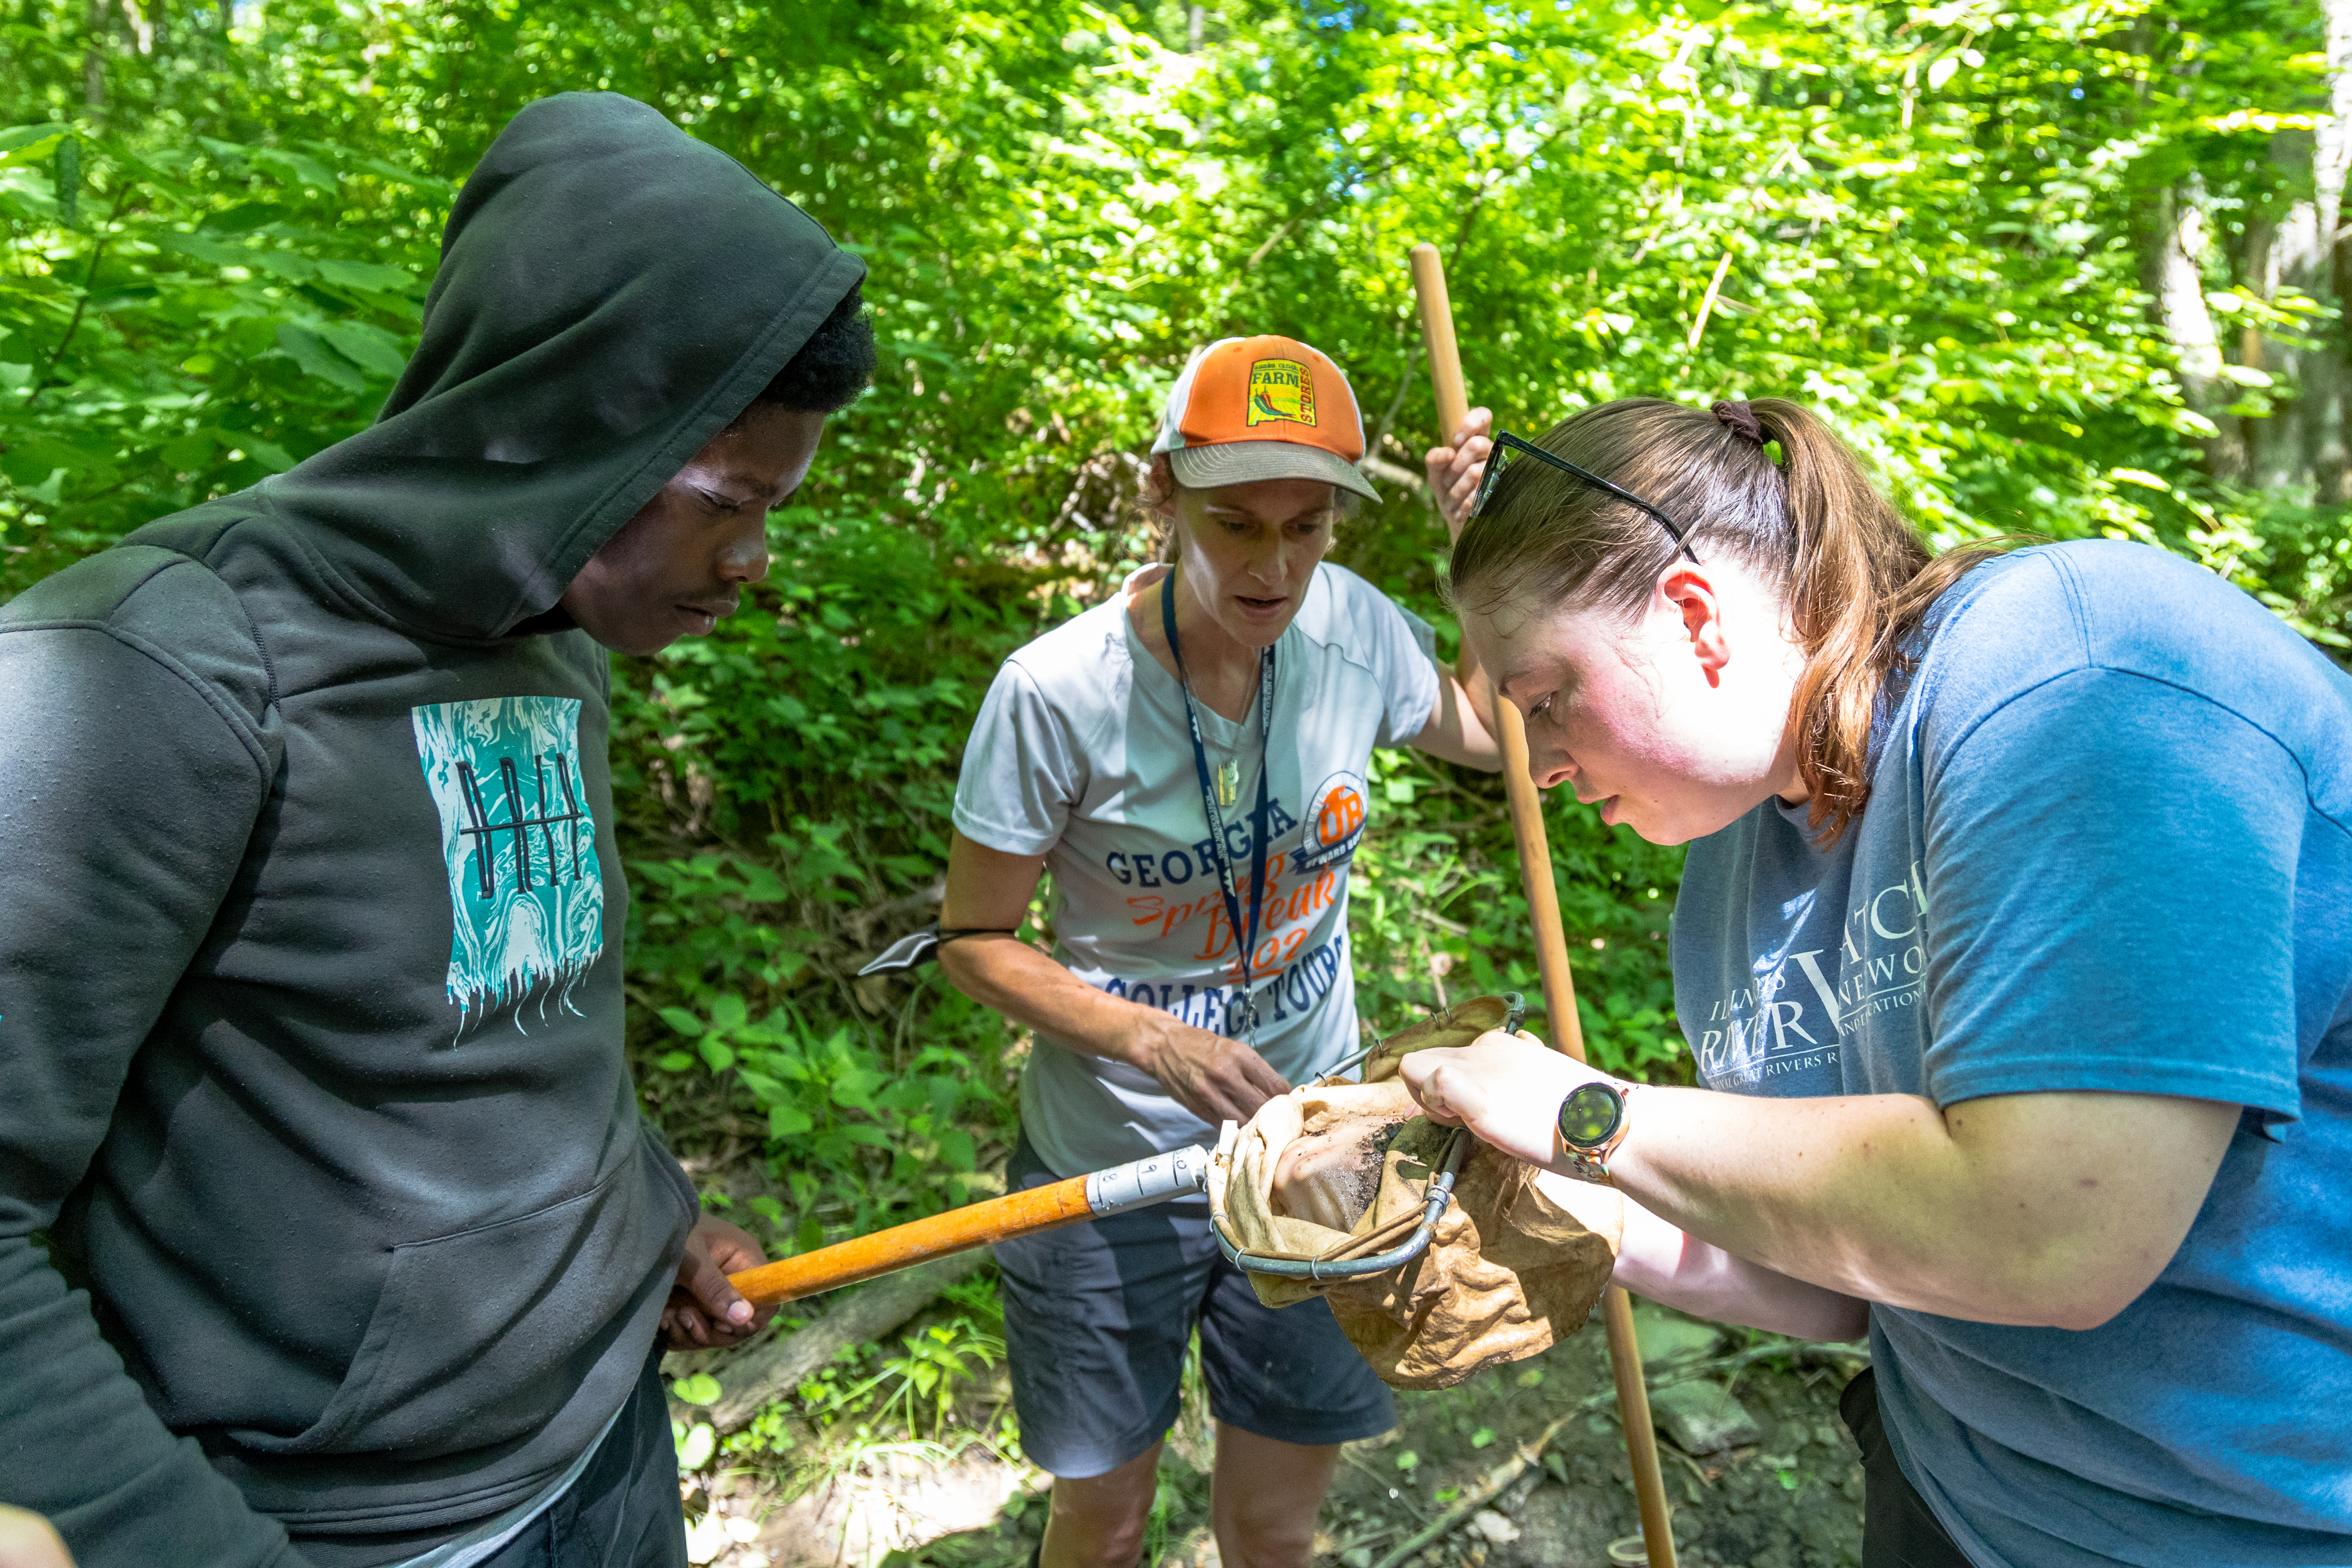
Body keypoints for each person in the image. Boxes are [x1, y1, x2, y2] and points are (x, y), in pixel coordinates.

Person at [0, 93, 876, 1568]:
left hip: (606, 1453)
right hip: (342, 1530)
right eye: (726, 501)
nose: (754, 561)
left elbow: (508, 1014)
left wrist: (637, 1220)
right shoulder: (160, 678)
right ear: (561, 429)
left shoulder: (557, 635)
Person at [1402, 395, 2352, 1567]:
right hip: (1951, 1492)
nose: (1537, 762)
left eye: (1546, 697)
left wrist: (1584, 1113)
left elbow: (2051, 1236)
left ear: (1694, 616)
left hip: (2258, 1528)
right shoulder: (1734, 872)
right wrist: (1583, 1204)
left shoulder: (2079, 675)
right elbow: (1857, 1281)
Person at [938, 336, 1501, 1568]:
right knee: (1106, 1515)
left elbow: (1497, 733)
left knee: (1273, 1526)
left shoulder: (1352, 634)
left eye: (1308, 527)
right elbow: (973, 940)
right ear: (1163, 499)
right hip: (1111, 1168)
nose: (1274, 563)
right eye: (1235, 522)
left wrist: (1488, 559)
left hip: (1311, 1154)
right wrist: (1147, 1034)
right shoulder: (1059, 693)